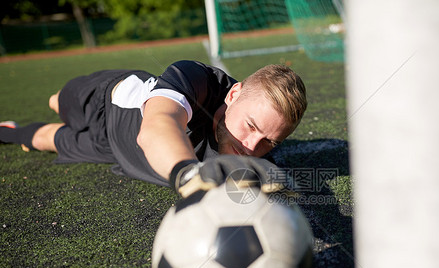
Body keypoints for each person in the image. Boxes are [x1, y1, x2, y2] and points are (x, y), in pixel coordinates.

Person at [0, 60, 307, 193]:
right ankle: (57, 102)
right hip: (106, 101)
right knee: (58, 102)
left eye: (269, 141)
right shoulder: (197, 80)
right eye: (250, 126)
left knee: (42, 140)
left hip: (116, 148)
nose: (252, 147)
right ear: (233, 94)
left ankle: (7, 131)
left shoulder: (253, 157)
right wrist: (188, 175)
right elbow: (157, 126)